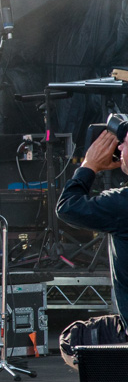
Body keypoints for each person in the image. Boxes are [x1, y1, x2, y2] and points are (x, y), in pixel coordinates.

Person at [56, 129, 128, 320]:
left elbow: (68, 207)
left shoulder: (121, 204)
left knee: (77, 334)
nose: (119, 147)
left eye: (125, 143)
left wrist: (89, 166)